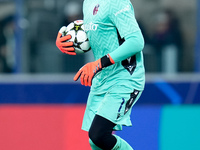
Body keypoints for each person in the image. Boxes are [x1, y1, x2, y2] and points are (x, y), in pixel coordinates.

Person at [56, 0, 145, 149]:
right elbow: (98, 30)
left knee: (99, 134)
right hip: (102, 79)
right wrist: (66, 38)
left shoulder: (117, 2)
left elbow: (136, 41)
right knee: (95, 141)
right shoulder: (88, 3)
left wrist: (98, 64)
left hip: (125, 77)